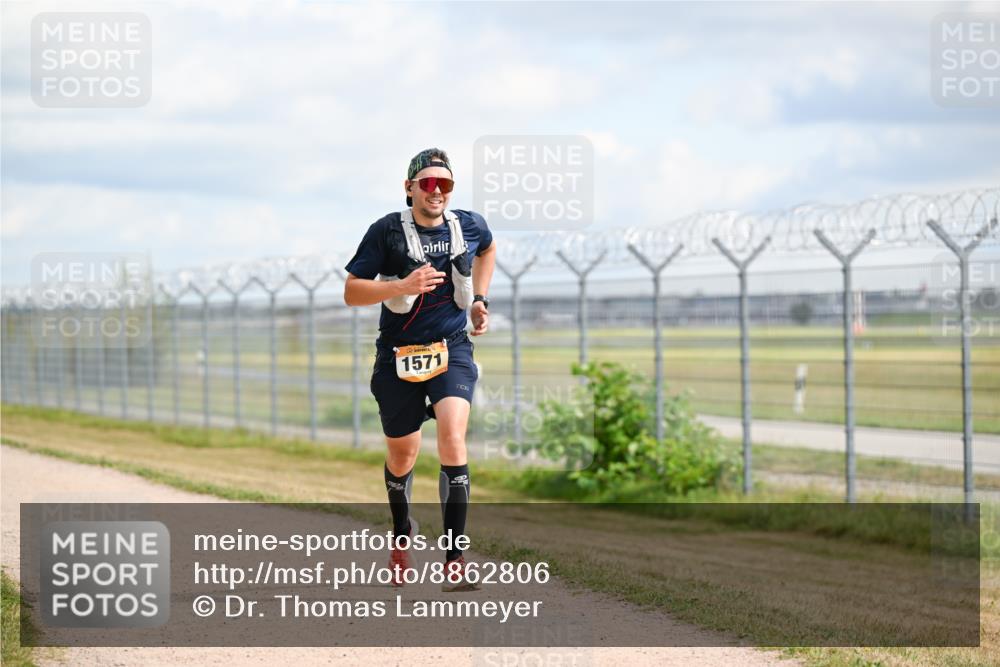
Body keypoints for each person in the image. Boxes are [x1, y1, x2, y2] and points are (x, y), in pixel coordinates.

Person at [343, 148, 496, 592]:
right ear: (409, 187)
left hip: (451, 349)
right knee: (403, 455)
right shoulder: (386, 231)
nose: (435, 191)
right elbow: (351, 292)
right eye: (426, 183)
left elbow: (487, 249)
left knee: (452, 437)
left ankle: (454, 558)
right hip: (397, 355)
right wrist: (400, 285)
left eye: (443, 184)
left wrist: (480, 300)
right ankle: (401, 531)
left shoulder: (469, 224)